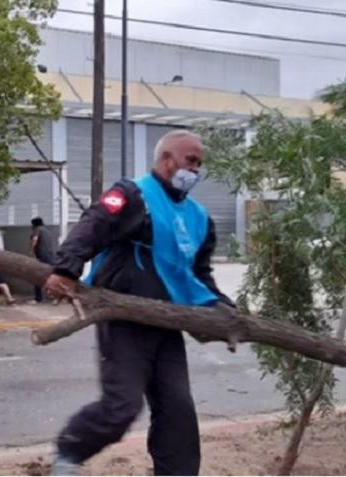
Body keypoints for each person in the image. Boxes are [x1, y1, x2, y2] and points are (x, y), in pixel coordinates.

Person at [43, 130, 234, 475]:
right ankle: (69, 454)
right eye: (191, 161)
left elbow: (200, 274)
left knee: (178, 410)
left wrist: (221, 309)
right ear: (166, 159)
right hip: (124, 320)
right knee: (122, 406)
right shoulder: (133, 194)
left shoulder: (199, 218)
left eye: (199, 164)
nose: (196, 170)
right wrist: (66, 268)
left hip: (168, 323)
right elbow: (94, 225)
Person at [29, 217, 55, 304]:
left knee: (37, 276)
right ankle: (54, 296)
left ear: (34, 224)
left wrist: (32, 251)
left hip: (41, 256)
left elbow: (35, 240)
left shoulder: (38, 229)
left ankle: (38, 298)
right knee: (50, 276)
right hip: (50, 256)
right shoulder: (47, 231)